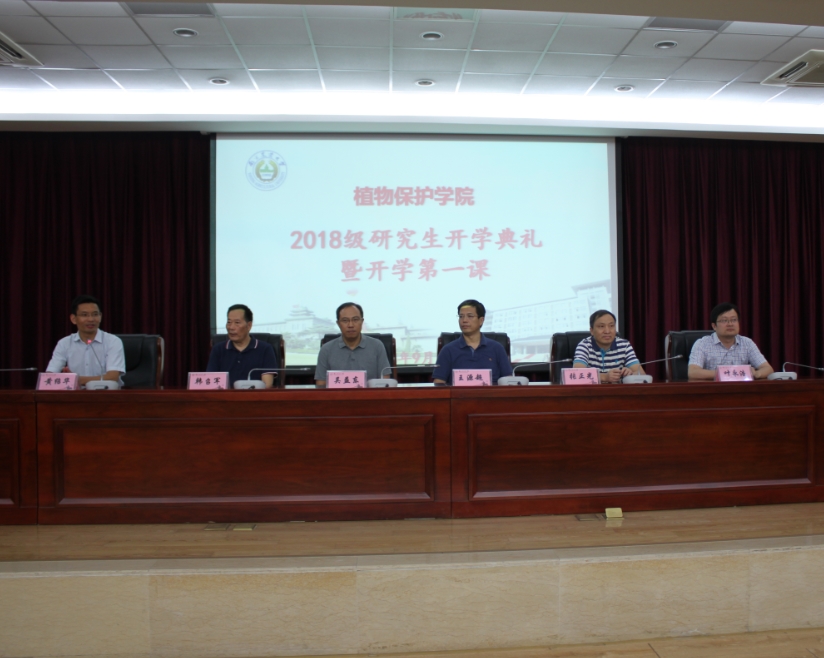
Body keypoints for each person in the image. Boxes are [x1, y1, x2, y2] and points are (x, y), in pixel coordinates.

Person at [46, 294, 125, 387]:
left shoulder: (113, 341)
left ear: (100, 316)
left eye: (95, 314)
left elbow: (113, 377)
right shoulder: (64, 343)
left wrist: (74, 379)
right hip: (75, 394)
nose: (91, 319)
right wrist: (64, 379)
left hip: (105, 394)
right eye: (84, 315)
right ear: (73, 319)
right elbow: (49, 376)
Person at [433, 299, 513, 385]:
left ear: (481, 320)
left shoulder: (497, 348)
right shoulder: (448, 350)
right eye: (461, 316)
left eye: (470, 316)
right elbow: (439, 382)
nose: (464, 320)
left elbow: (508, 381)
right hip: (458, 393)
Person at [688, 302, 774, 381]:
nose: (730, 324)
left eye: (734, 320)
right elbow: (693, 372)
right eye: (724, 320)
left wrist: (756, 374)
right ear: (714, 326)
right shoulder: (702, 344)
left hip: (741, 390)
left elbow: (768, 369)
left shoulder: (747, 343)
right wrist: (728, 373)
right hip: (713, 390)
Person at [315, 302, 391, 387]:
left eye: (355, 320)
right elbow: (320, 386)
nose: (350, 325)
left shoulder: (377, 346)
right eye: (345, 320)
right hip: (337, 395)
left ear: (362, 322)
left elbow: (385, 384)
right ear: (338, 323)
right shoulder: (326, 349)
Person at [207, 304, 277, 387]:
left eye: (237, 323)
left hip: (254, 395)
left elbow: (267, 384)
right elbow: (210, 382)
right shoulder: (218, 349)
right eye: (229, 322)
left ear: (249, 325)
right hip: (225, 395)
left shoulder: (265, 349)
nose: (231, 327)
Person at [573, 310, 644, 384]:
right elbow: (576, 374)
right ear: (592, 331)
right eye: (601, 326)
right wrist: (605, 377)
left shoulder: (624, 345)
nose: (607, 331)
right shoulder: (585, 346)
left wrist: (630, 374)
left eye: (611, 326)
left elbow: (642, 374)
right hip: (592, 390)